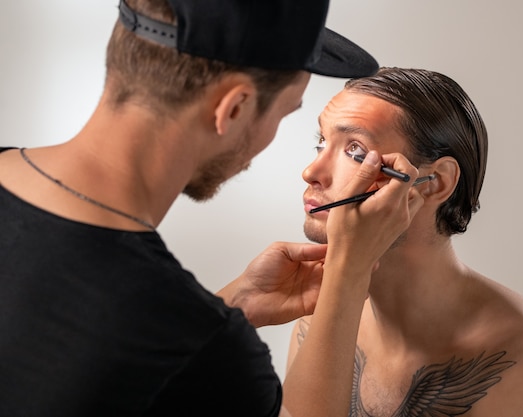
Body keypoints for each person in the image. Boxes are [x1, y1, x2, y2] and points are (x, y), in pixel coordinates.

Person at [0, 2, 424, 416]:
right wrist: (347, 275)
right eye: (284, 112)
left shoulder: (187, 339)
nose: (311, 169)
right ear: (233, 108)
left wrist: (232, 306)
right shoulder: (203, 345)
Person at [288, 67, 523, 417]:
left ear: (435, 183)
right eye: (321, 142)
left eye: (355, 150)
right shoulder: (315, 322)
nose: (311, 172)